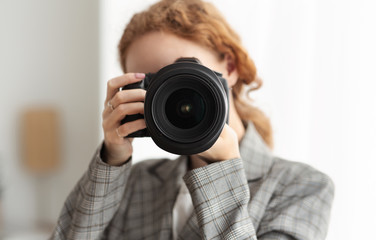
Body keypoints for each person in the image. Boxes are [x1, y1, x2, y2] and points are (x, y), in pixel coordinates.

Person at [50, 0, 334, 239]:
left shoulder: (302, 186)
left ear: (230, 66)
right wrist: (112, 159)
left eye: (179, 75)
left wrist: (223, 170)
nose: (169, 95)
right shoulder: (136, 181)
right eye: (153, 87)